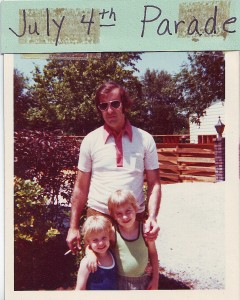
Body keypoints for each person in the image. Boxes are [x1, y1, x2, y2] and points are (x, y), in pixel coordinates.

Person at [66, 81, 161, 253]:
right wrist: (73, 226)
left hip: (133, 217)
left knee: (135, 272)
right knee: (99, 275)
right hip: (98, 218)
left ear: (124, 105)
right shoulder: (90, 140)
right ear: (99, 109)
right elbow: (80, 187)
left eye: (115, 103)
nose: (110, 110)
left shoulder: (145, 139)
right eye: (104, 106)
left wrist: (152, 217)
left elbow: (154, 184)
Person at [75, 215, 118, 290]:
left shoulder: (112, 253)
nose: (101, 243)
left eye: (104, 238)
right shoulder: (87, 262)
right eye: (95, 240)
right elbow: (80, 289)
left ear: (109, 236)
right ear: (88, 241)